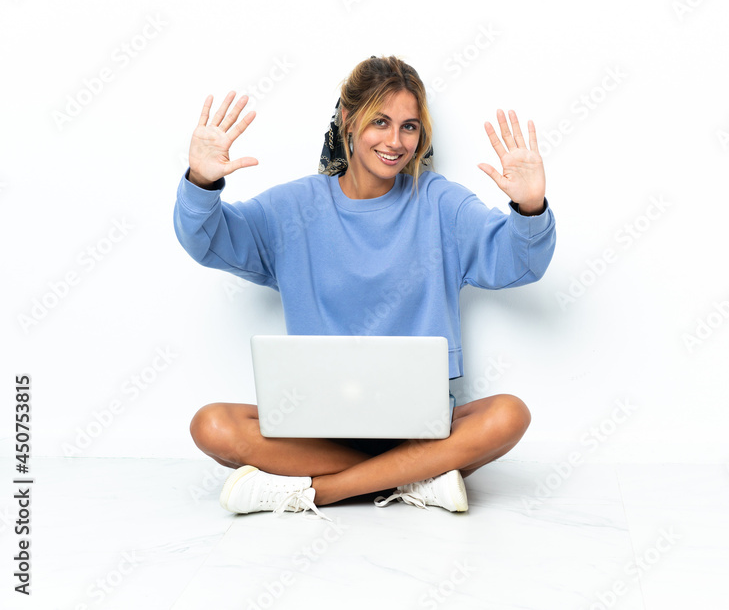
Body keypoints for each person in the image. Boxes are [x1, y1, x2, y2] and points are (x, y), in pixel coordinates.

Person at [173, 55, 556, 519]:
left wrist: (530, 207)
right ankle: (417, 478)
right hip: (316, 430)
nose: (395, 142)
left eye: (409, 127)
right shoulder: (294, 207)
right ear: (349, 121)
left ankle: (317, 492)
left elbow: (518, 262)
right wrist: (201, 182)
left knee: (509, 414)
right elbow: (208, 240)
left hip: (418, 429)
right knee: (211, 424)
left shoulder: (440, 202)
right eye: (380, 122)